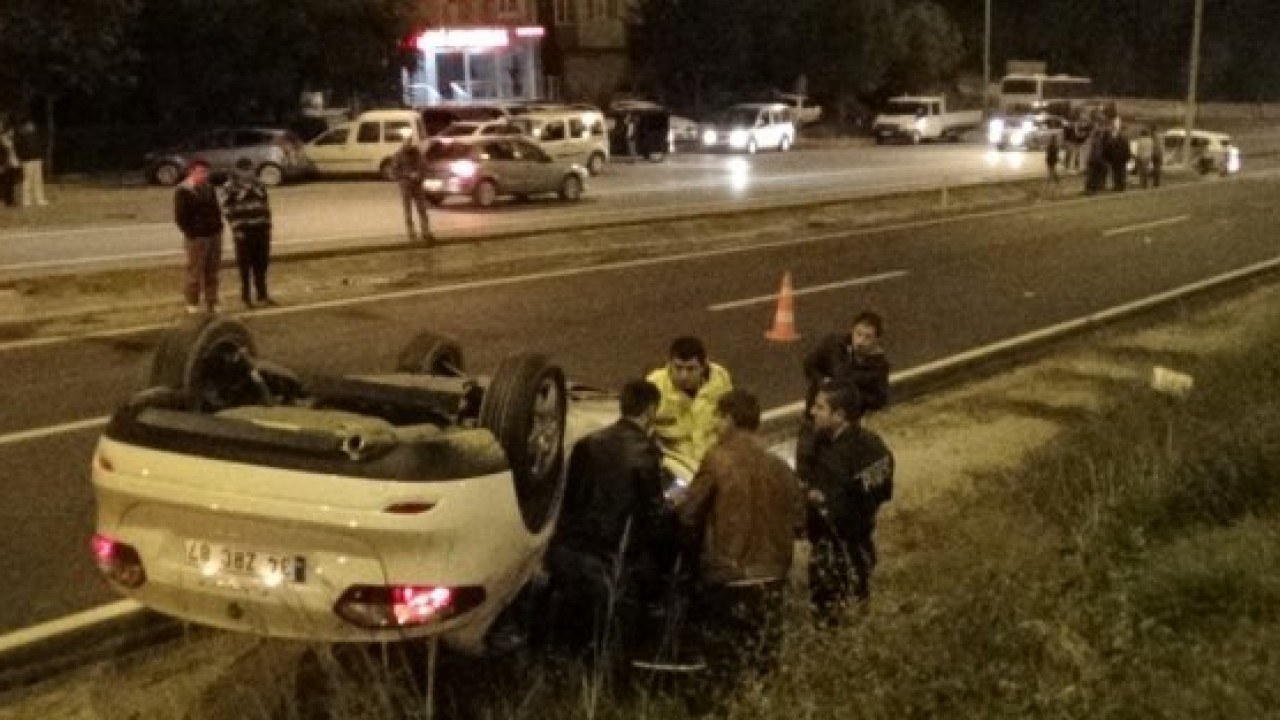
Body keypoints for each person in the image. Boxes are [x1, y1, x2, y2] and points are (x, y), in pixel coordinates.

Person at [675, 388, 804, 693]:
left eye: (718, 418)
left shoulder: (717, 459)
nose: (715, 426)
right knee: (763, 661)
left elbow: (688, 516)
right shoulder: (780, 466)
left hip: (729, 577)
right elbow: (800, 521)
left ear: (731, 419)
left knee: (725, 665)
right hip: (773, 574)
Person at [546, 379, 674, 661]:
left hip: (573, 552)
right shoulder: (644, 452)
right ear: (651, 411)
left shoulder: (587, 443)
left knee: (573, 636)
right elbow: (653, 513)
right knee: (613, 635)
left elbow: (570, 498)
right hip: (613, 557)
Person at [803, 380, 895, 625]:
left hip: (835, 555)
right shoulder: (875, 444)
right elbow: (884, 492)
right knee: (860, 608)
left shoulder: (833, 460)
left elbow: (824, 514)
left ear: (839, 415)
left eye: (820, 407)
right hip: (864, 544)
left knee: (830, 622)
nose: (812, 411)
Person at [797, 310, 890, 473]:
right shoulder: (833, 345)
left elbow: (880, 399)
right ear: (852, 330)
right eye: (858, 334)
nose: (860, 341)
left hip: (845, 427)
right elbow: (809, 364)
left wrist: (852, 396)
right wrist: (822, 382)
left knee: (837, 466)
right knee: (805, 458)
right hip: (815, 418)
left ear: (876, 340)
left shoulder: (879, 367)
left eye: (867, 337)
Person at [645, 336, 733, 465]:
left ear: (704, 366)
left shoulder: (720, 378)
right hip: (675, 465)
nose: (683, 376)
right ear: (669, 364)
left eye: (691, 369)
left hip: (714, 461)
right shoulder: (653, 386)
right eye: (678, 368)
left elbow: (732, 421)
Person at [220, 158, 274, 308]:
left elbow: (265, 205)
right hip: (243, 231)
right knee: (245, 266)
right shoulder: (230, 187)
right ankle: (246, 297)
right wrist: (236, 228)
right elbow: (226, 209)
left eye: (250, 169)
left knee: (261, 264)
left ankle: (262, 295)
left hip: (261, 229)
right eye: (244, 170)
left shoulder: (259, 185)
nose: (248, 173)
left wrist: (268, 225)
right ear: (237, 171)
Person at [174, 159, 225, 314]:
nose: (204, 175)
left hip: (213, 234)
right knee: (195, 271)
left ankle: (212, 301)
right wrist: (191, 232)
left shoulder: (208, 188)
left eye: (206, 172)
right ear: (192, 172)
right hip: (197, 237)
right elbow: (181, 216)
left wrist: (218, 227)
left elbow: (216, 209)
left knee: (212, 270)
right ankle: (192, 303)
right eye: (201, 172)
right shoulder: (184, 190)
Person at [393, 138, 433, 244]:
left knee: (422, 209)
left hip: (417, 185)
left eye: (410, 144)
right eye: (407, 144)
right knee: (408, 210)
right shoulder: (399, 155)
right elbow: (394, 172)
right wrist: (408, 175)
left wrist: (419, 176)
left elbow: (425, 167)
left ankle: (425, 231)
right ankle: (411, 232)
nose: (409, 146)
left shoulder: (418, 154)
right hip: (406, 186)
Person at [14, 119, 48, 207]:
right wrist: (22, 159)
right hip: (27, 161)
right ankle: (26, 200)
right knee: (27, 181)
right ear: (25, 127)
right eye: (29, 125)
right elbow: (19, 149)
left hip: (37, 160)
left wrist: (41, 157)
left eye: (32, 125)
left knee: (38, 180)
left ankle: (39, 199)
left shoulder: (36, 136)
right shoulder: (21, 137)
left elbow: (41, 147)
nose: (32, 127)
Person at [0, 118, 18, 208]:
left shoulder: (6, 138)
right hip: (3, 164)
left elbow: (11, 151)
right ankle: (4, 200)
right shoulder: (2, 139)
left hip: (10, 163)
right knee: (3, 183)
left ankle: (9, 200)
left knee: (10, 182)